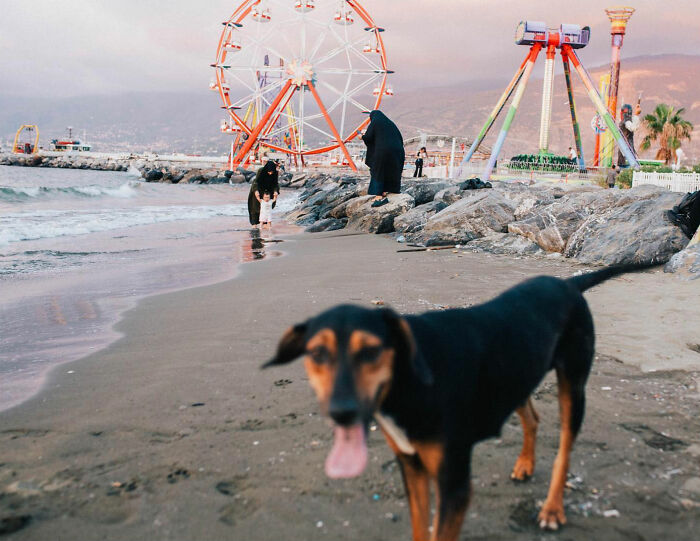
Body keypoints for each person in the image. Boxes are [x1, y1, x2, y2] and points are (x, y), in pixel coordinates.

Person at [362, 110, 405, 207]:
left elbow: (369, 137)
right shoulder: (390, 124)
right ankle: (389, 189)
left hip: (383, 151)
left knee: (379, 170)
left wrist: (362, 137)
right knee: (392, 170)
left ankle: (378, 195)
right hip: (398, 151)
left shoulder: (376, 122)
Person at [247, 159, 279, 227]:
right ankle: (254, 224)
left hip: (268, 191)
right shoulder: (261, 171)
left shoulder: (275, 173)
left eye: (272, 172)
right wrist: (256, 191)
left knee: (266, 207)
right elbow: (256, 181)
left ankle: (265, 223)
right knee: (254, 207)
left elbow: (275, 184)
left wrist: (276, 191)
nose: (270, 173)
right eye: (269, 172)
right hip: (258, 188)